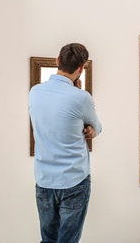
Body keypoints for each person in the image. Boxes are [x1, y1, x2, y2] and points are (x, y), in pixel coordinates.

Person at [29, 43, 102, 242]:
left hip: (44, 180)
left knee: (48, 239)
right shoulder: (81, 98)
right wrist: (89, 129)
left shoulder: (34, 92)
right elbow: (98, 127)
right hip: (74, 181)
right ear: (81, 68)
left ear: (57, 61)